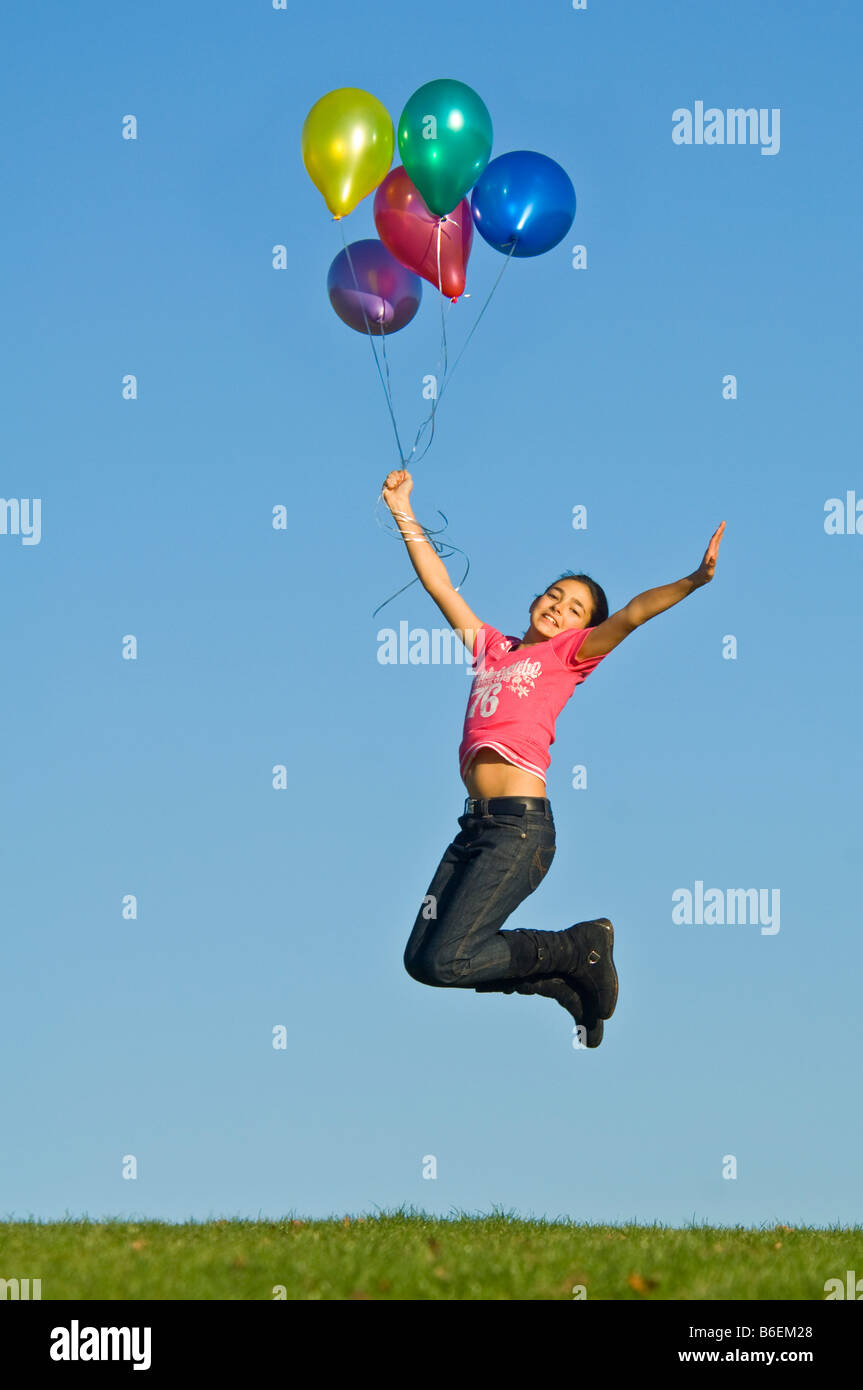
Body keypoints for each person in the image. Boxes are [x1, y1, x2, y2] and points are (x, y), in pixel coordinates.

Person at [382, 467, 725, 1047]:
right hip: (475, 828)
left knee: (449, 960)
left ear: (581, 630)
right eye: (555, 596)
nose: (560, 609)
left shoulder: (570, 656)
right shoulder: (492, 648)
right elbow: (440, 585)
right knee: (422, 960)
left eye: (574, 609)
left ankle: (575, 947)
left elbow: (633, 614)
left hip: (519, 830)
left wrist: (692, 581)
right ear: (536, 598)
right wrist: (401, 509)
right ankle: (560, 978)